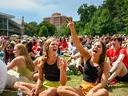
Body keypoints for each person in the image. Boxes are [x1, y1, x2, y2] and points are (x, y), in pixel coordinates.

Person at [45, 21, 109, 96]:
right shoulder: (87, 56)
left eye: (98, 46)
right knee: (60, 89)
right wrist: (72, 28)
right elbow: (77, 43)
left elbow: (103, 83)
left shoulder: (105, 63)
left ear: (102, 51)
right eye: (94, 45)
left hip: (95, 91)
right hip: (82, 89)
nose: (95, 47)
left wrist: (92, 91)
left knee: (104, 92)